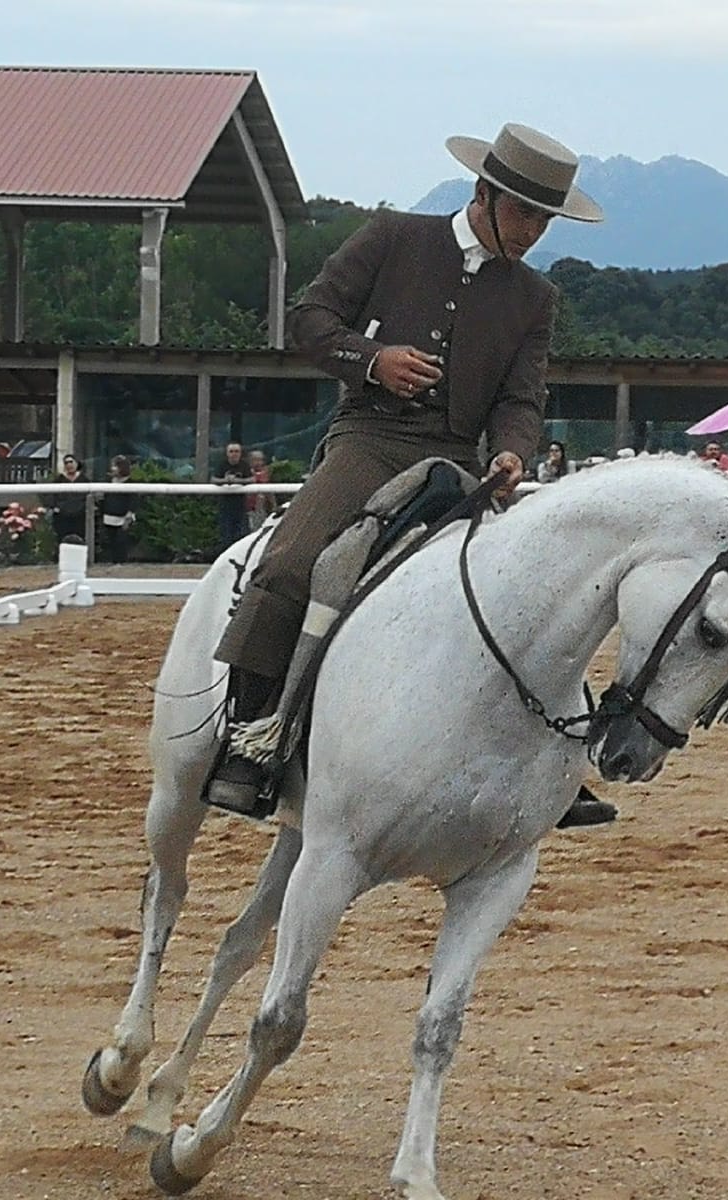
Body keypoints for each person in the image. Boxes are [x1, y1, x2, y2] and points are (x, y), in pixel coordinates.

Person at [207, 121, 604, 817]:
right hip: (370, 437)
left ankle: (548, 763)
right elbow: (310, 319)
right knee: (294, 561)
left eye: (546, 218)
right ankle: (249, 734)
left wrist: (513, 449)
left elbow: (521, 397)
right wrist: (373, 361)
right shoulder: (393, 237)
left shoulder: (536, 298)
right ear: (483, 193)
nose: (536, 230)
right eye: (524, 213)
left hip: (459, 460)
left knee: (531, 596)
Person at [212, 443, 254, 547]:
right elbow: (213, 479)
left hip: (241, 506)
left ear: (240, 453)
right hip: (225, 506)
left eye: (236, 451)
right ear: (227, 453)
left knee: (242, 534)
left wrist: (238, 481)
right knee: (226, 535)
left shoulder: (244, 465)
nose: (234, 454)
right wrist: (226, 480)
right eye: (231, 451)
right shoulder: (222, 465)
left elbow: (252, 479)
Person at [100, 455, 137, 564]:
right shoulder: (108, 481)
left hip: (123, 517)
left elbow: (133, 500)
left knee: (121, 540)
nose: (112, 469)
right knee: (111, 541)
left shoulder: (131, 483)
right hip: (109, 516)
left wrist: (129, 515)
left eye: (115, 466)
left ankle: (122, 562)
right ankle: (113, 561)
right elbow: (104, 497)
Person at [51, 454, 88, 544]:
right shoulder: (59, 480)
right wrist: (55, 507)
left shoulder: (84, 479)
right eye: (66, 463)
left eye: (71, 462)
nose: (69, 465)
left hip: (79, 516)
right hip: (63, 516)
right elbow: (52, 495)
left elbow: (88, 495)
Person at [246, 449, 277, 531]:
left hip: (262, 510)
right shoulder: (245, 473)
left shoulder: (265, 473)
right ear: (250, 461)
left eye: (261, 460)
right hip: (247, 511)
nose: (259, 463)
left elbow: (269, 491)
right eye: (256, 460)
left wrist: (274, 506)